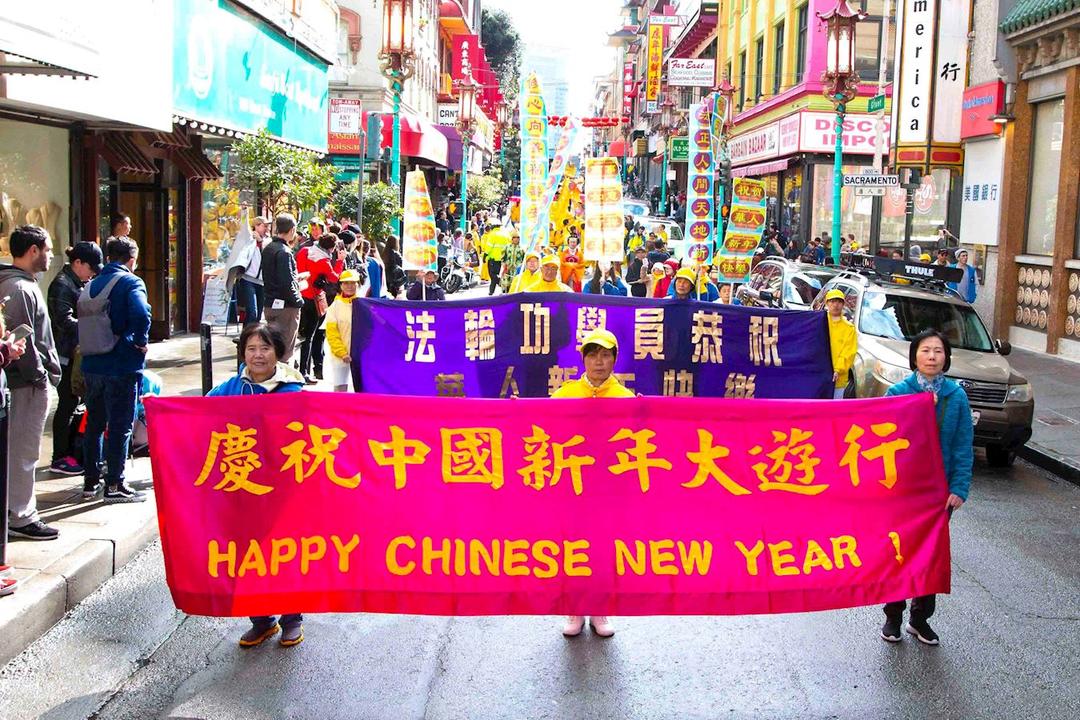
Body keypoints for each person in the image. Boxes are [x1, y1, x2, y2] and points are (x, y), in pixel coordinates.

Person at [207, 323, 305, 647]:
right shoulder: (233, 387)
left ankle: (292, 618)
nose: (258, 355)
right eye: (251, 348)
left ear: (278, 353)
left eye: (265, 348)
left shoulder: (293, 391)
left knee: (284, 553)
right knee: (246, 555)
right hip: (243, 488)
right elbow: (197, 413)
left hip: (282, 490)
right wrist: (160, 409)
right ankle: (261, 620)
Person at [881, 330, 972, 646]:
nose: (932, 356)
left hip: (939, 494)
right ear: (914, 356)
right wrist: (917, 410)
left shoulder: (956, 396)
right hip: (903, 490)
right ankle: (893, 616)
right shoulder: (898, 393)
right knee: (899, 553)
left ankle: (920, 620)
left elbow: (962, 444)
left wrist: (959, 487)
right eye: (925, 350)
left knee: (930, 555)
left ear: (946, 357)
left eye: (938, 351)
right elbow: (883, 435)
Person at [551, 328, 633, 637]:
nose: (599, 362)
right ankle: (574, 608)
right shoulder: (565, 394)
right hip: (571, 485)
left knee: (603, 548)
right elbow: (539, 423)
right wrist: (518, 411)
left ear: (614, 359)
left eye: (606, 355)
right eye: (593, 355)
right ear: (584, 360)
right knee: (572, 546)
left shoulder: (626, 399)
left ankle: (599, 609)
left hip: (609, 489)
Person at [78, 237, 151, 504]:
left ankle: (90, 481)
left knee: (95, 424)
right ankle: (114, 484)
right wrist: (140, 341)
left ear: (108, 257)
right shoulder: (131, 282)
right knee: (120, 425)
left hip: (92, 364)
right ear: (131, 259)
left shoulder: (91, 284)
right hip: (121, 363)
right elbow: (141, 314)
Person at [0, 226, 62, 539]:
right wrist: (40, 377)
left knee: (20, 451)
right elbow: (23, 341)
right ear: (33, 250)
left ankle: (17, 511)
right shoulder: (20, 288)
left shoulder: (19, 284)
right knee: (24, 452)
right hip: (25, 385)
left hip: (24, 382)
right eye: (47, 249)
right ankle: (21, 515)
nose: (50, 255)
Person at [47, 241, 103, 476]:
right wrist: (95, 324)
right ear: (77, 263)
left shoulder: (77, 282)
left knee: (74, 403)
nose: (92, 274)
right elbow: (64, 321)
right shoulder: (62, 284)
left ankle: (69, 452)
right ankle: (59, 457)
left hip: (76, 352)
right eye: (90, 268)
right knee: (67, 404)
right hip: (66, 355)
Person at [296, 234, 342, 384]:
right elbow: (334, 278)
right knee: (309, 337)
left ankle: (299, 367)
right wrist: (340, 261)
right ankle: (304, 371)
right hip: (314, 299)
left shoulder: (304, 251)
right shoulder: (324, 261)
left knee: (299, 335)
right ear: (331, 248)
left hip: (299, 295)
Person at [262, 214, 303, 362]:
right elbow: (286, 283)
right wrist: (298, 301)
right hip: (286, 307)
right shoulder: (284, 252)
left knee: (273, 346)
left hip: (270, 303)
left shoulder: (269, 248)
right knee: (285, 350)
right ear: (292, 230)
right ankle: (281, 375)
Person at [324, 269, 362, 392]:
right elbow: (332, 334)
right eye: (346, 283)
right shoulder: (334, 307)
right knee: (340, 388)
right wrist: (341, 352)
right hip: (340, 356)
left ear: (358, 284)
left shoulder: (364, 304)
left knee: (362, 388)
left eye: (353, 283)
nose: (349, 286)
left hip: (361, 355)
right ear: (341, 285)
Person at [227, 215, 270, 325]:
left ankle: (251, 333)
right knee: (252, 311)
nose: (267, 228)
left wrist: (261, 241)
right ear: (256, 226)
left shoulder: (268, 241)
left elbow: (268, 255)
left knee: (258, 314)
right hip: (248, 279)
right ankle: (247, 333)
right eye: (264, 226)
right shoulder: (249, 239)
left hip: (262, 281)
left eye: (267, 226)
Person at [824, 289, 856, 399]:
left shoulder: (849, 328)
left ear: (843, 304)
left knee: (834, 407)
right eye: (832, 301)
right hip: (819, 375)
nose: (835, 305)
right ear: (827, 303)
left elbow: (849, 352)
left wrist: (838, 369)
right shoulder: (820, 323)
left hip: (838, 378)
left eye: (839, 302)